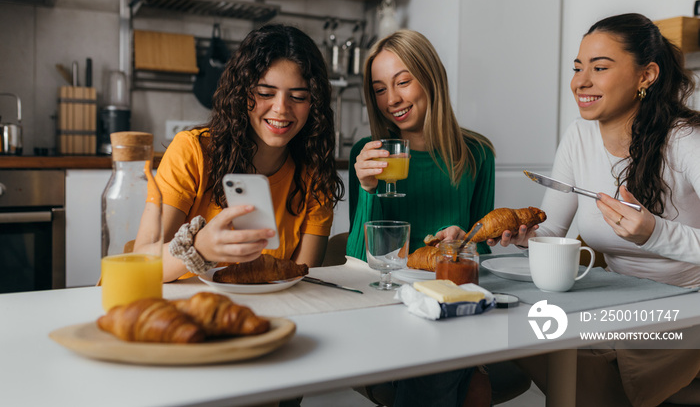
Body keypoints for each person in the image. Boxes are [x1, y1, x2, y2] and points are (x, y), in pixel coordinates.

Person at [494, 13, 700, 406]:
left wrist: (654, 233)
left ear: (647, 75)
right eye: (577, 68)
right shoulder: (578, 135)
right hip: (619, 299)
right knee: (520, 328)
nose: (580, 82)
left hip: (687, 305)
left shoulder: (685, 139)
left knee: (569, 360)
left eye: (599, 68)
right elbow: (550, 233)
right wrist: (526, 237)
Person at [347, 29, 496, 407]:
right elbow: (357, 261)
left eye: (403, 82)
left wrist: (465, 245)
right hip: (387, 304)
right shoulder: (369, 154)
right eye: (379, 89)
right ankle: (469, 369)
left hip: (452, 304)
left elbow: (485, 258)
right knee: (454, 378)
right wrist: (367, 189)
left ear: (431, 78)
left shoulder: (476, 154)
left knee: (450, 371)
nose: (391, 99)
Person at [136, 23, 344, 283]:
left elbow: (302, 277)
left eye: (299, 97)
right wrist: (199, 248)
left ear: (314, 105)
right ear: (241, 93)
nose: (281, 108)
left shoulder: (314, 174)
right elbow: (140, 264)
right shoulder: (192, 151)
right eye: (265, 93)